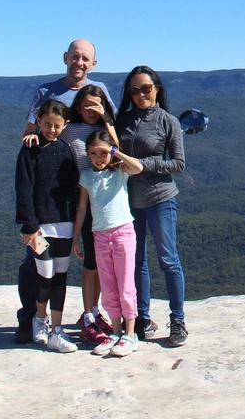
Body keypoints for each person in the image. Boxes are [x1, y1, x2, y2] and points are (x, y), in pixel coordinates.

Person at [15, 39, 116, 344]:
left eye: (85, 58)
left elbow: (113, 134)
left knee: (86, 257)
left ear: (93, 64)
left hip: (90, 191)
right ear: (65, 58)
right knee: (35, 261)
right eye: (75, 57)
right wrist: (31, 139)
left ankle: (88, 313)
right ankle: (30, 318)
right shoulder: (46, 91)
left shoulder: (99, 90)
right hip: (54, 193)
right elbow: (30, 131)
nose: (79, 63)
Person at [115, 65, 188, 346]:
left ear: (157, 88)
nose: (141, 94)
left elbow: (179, 164)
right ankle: (142, 318)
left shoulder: (168, 121)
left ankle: (178, 320)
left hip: (160, 199)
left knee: (168, 260)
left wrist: (143, 165)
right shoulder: (123, 121)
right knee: (136, 262)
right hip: (129, 201)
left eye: (146, 88)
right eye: (135, 90)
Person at [14, 99, 80, 352]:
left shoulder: (66, 150)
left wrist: (78, 225)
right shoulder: (29, 150)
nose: (51, 129)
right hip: (41, 226)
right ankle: (39, 320)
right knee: (44, 273)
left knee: (60, 275)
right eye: (47, 124)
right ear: (38, 122)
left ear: (65, 125)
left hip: (64, 223)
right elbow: (24, 188)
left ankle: (57, 328)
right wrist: (29, 225)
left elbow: (73, 188)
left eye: (57, 125)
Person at [72, 130, 144, 357]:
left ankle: (130, 334)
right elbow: (82, 208)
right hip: (99, 235)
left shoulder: (120, 171)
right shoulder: (86, 176)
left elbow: (139, 168)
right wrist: (75, 236)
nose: (98, 157)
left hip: (122, 232)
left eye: (102, 153)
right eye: (93, 153)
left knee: (125, 285)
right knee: (109, 286)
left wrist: (116, 153)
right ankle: (115, 331)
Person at [62, 85, 120, 347]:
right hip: (81, 199)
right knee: (89, 263)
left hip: (105, 202)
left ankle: (95, 312)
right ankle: (87, 316)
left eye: (97, 105)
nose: (91, 110)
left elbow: (116, 153)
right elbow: (52, 145)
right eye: (86, 105)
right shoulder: (70, 129)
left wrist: (107, 120)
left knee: (99, 262)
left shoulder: (107, 129)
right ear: (77, 105)